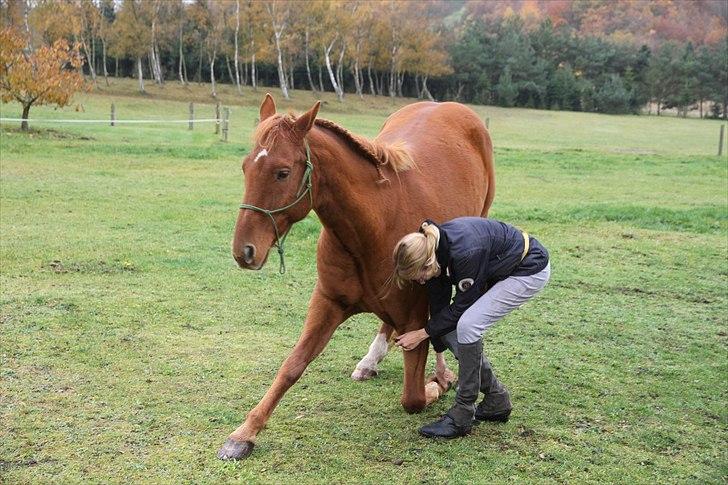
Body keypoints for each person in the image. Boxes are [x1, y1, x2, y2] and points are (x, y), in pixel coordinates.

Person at [392, 216, 550, 438]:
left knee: (468, 325)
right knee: (449, 327)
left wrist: (421, 333)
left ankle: (462, 415)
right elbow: (439, 313)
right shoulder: (435, 250)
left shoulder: (465, 254)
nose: (420, 282)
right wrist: (439, 357)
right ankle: (496, 399)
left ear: (429, 263)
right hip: (502, 268)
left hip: (527, 269)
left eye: (419, 276)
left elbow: (461, 307)